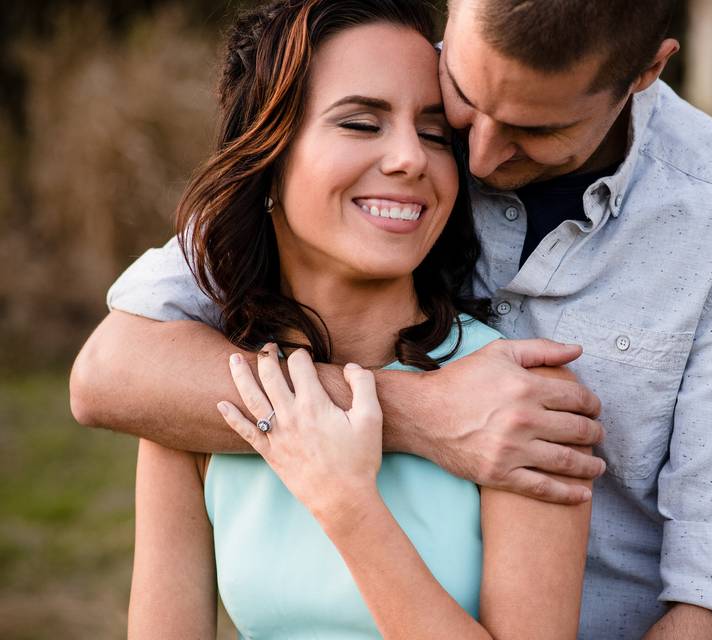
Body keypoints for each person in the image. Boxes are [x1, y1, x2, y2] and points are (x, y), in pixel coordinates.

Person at [72, 0, 712, 637]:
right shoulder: (381, 70)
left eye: (534, 129)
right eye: (461, 104)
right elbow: (109, 373)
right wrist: (408, 411)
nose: (478, 157)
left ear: (646, 72)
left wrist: (347, 503)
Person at [127, 1, 591, 638]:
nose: (410, 158)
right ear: (268, 156)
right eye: (361, 123)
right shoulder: (196, 398)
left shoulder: (524, 407)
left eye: (433, 134)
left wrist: (346, 504)